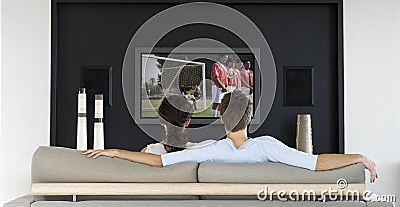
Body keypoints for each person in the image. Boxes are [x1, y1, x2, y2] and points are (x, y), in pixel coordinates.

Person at [83, 90, 378, 183]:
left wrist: (117, 152)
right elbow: (316, 164)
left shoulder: (209, 151)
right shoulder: (268, 147)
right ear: (249, 118)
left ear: (221, 118)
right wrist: (360, 157)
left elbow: (161, 163)